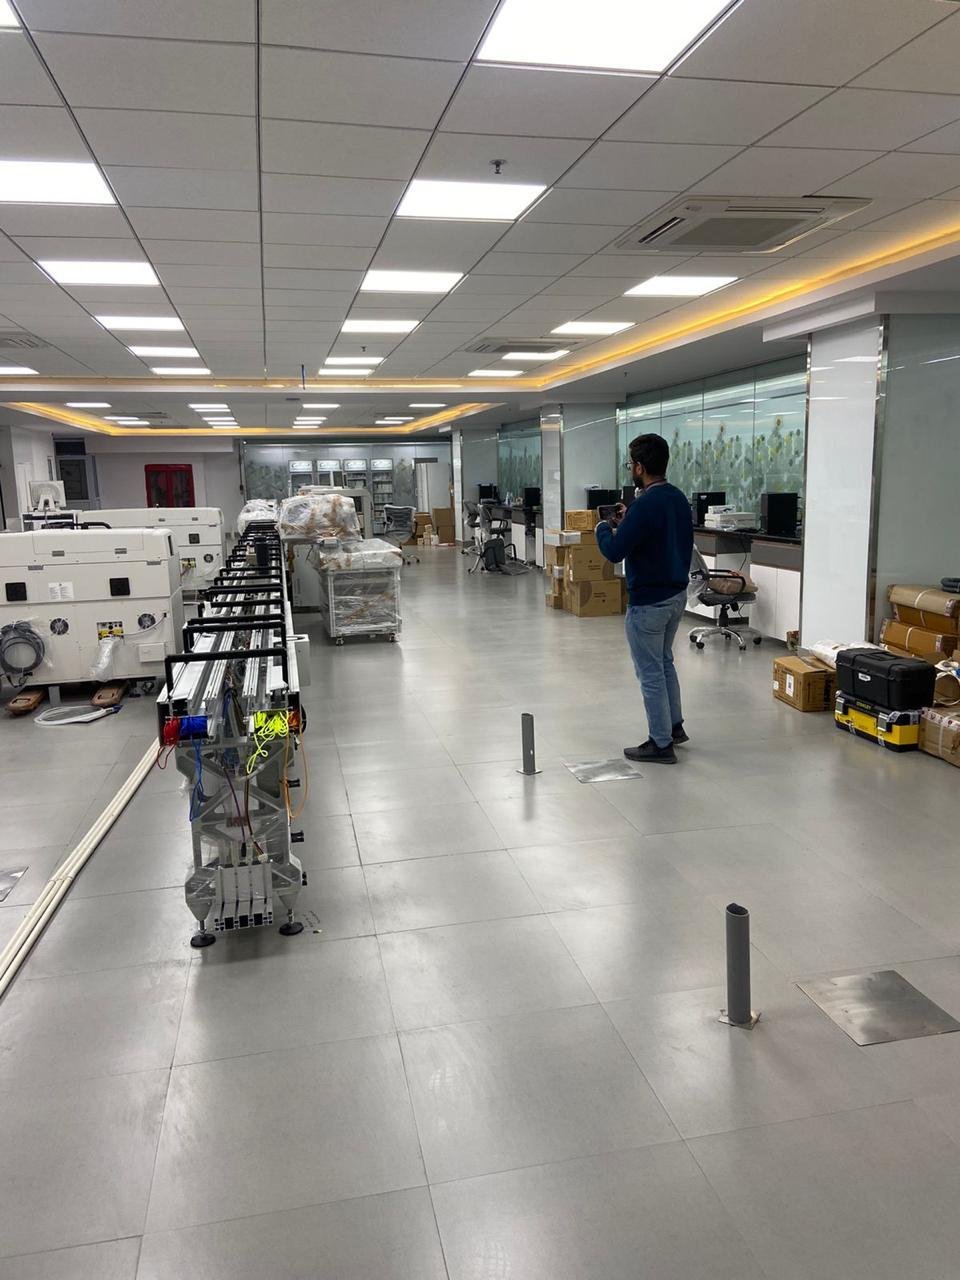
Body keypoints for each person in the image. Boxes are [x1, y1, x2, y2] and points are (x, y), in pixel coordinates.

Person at [596, 433, 694, 765]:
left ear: (639, 467)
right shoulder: (677, 498)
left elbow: (614, 551)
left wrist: (602, 528)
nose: (631, 469)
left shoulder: (644, 506)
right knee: (664, 662)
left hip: (648, 603)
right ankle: (675, 727)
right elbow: (656, 534)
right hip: (676, 597)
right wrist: (630, 521)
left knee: (649, 671)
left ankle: (660, 743)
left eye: (631, 464)